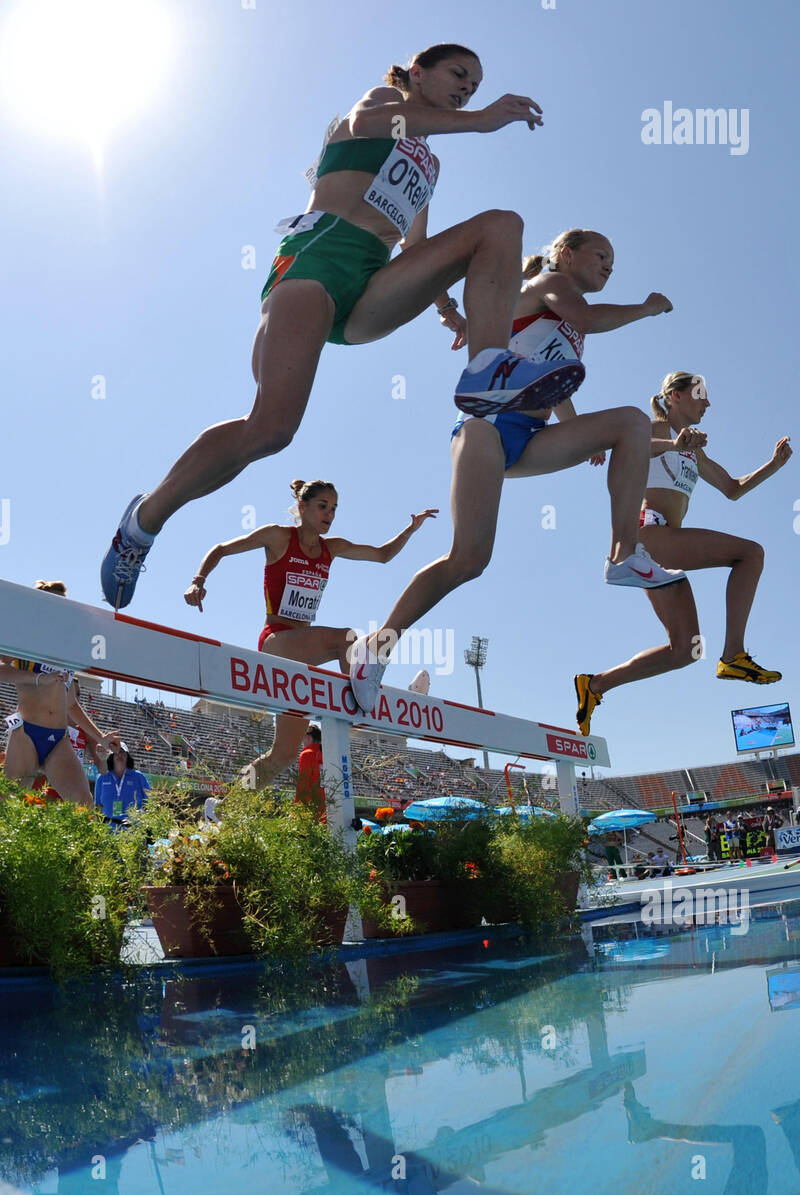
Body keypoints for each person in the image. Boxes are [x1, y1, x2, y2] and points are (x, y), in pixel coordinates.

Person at [101, 44, 585, 610]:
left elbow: (418, 247)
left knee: (502, 226)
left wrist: (447, 307)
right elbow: (368, 123)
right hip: (319, 259)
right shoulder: (384, 100)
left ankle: (486, 369)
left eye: (474, 89)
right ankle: (142, 523)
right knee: (272, 429)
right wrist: (478, 122)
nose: (466, 91)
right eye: (459, 76)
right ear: (418, 70)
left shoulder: (429, 158)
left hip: (372, 286)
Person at [349, 227, 684, 711]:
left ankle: (623, 556)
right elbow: (589, 319)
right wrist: (647, 307)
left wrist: (580, 433)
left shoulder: (555, 320)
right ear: (565, 254)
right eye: (601, 255)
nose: (610, 265)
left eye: (614, 260)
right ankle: (376, 646)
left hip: (530, 436)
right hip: (485, 428)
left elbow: (555, 383)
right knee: (467, 560)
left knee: (632, 423)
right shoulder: (551, 284)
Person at [574, 371, 791, 733]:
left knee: (685, 651)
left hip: (656, 552)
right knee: (750, 554)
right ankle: (734, 655)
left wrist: (774, 465)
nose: (707, 402)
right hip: (648, 535)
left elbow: (732, 488)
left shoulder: (691, 447)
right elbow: (628, 452)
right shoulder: (653, 432)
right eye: (700, 394)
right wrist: (675, 446)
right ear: (675, 396)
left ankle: (594, 685)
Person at [184, 479, 435, 786]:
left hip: (304, 651)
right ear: (302, 508)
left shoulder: (333, 547)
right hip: (277, 641)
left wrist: (410, 530)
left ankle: (228, 802)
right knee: (345, 639)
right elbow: (221, 548)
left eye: (333, 509)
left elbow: (383, 555)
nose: (329, 514)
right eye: (322, 506)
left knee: (284, 754)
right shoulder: (277, 537)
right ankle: (359, 711)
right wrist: (198, 580)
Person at [0, 582, 121, 805]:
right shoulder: (23, 637)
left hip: (58, 739)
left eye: (63, 605)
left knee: (84, 804)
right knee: (8, 806)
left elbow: (71, 704)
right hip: (27, 732)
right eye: (54, 603)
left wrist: (100, 736)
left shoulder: (67, 648)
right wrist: (37, 678)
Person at [94, 744, 151, 828]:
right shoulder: (102, 778)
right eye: (116, 752)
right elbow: (98, 805)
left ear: (127, 756)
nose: (119, 755)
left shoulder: (138, 777)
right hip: (107, 829)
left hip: (133, 830)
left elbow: (149, 803)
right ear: (111, 756)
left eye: (122, 752)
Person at [294, 724, 326, 821]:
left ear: (308, 737)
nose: (302, 742)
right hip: (326, 811)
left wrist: (298, 810)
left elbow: (303, 784)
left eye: (303, 738)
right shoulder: (328, 754)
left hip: (310, 811)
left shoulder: (307, 754)